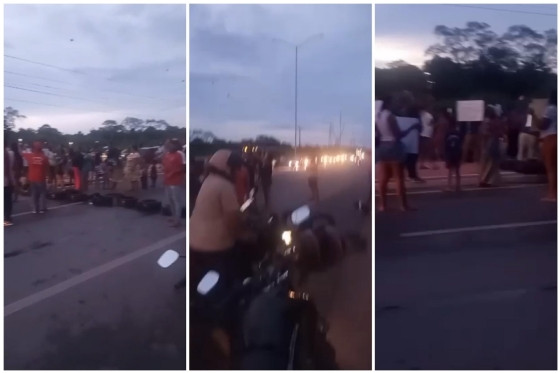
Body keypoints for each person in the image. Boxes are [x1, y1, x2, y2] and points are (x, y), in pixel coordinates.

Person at [190, 149, 246, 297]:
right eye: (235, 168)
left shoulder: (208, 180)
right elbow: (232, 220)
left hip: (194, 241)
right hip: (215, 246)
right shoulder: (225, 186)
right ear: (227, 168)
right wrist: (243, 233)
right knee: (240, 254)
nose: (237, 172)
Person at [376, 95, 420, 212]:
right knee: (398, 178)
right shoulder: (390, 116)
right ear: (389, 104)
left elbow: (379, 135)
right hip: (393, 146)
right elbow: (398, 134)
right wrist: (412, 128)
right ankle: (403, 205)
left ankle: (383, 205)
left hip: (382, 147)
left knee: (383, 178)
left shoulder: (378, 116)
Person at [479, 106, 505, 187]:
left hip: (489, 141)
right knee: (492, 162)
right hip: (494, 141)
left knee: (490, 161)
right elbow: (500, 132)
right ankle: (485, 180)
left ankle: (489, 180)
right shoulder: (496, 121)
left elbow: (483, 133)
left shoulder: (486, 121)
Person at [538, 90, 557, 202]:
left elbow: (543, 125)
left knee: (551, 169)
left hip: (550, 138)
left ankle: (552, 195)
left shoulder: (550, 109)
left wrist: (533, 116)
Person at [162, 139, 186, 228]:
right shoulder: (167, 154)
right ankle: (173, 216)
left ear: (174, 146)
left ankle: (178, 220)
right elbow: (165, 167)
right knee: (170, 200)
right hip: (168, 180)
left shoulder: (180, 154)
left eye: (169, 145)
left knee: (176, 200)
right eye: (167, 145)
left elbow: (183, 167)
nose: (167, 147)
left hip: (176, 181)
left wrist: (178, 175)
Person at [22, 141, 49, 214]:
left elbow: (21, 153)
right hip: (41, 177)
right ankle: (42, 208)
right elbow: (47, 167)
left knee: (34, 194)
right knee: (42, 193)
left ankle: (35, 209)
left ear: (33, 148)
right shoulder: (44, 157)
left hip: (32, 178)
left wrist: (22, 146)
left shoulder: (30, 156)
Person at [444, 115, 463, 192]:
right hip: (457, 152)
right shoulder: (458, 133)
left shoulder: (448, 133)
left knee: (450, 170)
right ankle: (458, 186)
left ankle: (449, 186)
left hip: (450, 153)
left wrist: (445, 155)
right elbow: (461, 143)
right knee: (457, 170)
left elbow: (446, 145)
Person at [5, 141, 16, 226]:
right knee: (8, 200)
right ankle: (7, 218)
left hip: (7, 180)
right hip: (8, 181)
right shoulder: (11, 153)